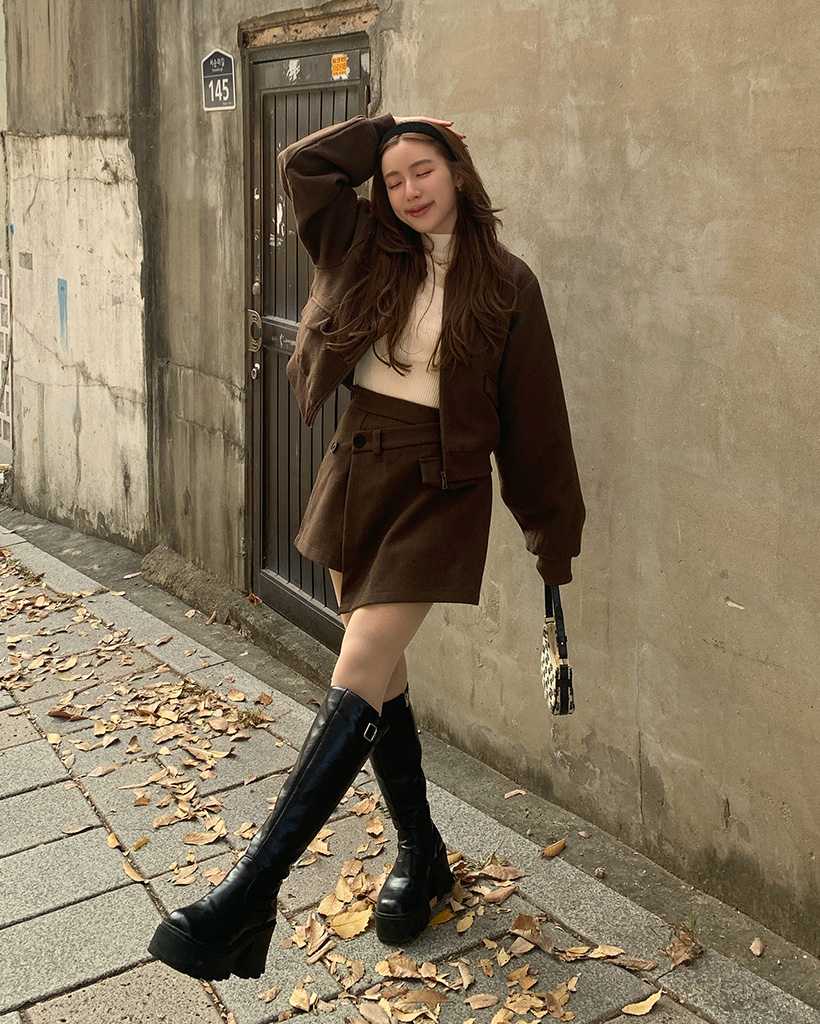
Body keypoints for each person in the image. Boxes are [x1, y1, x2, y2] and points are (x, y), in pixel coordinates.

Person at [149, 113, 584, 981]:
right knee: (380, 674)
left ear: (458, 171)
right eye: (393, 178)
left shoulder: (508, 284)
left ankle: (248, 895)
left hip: (440, 487)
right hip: (358, 465)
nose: (409, 190)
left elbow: (536, 420)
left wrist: (551, 540)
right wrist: (386, 128)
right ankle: (422, 851)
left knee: (359, 664)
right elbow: (303, 165)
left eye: (424, 169)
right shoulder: (364, 246)